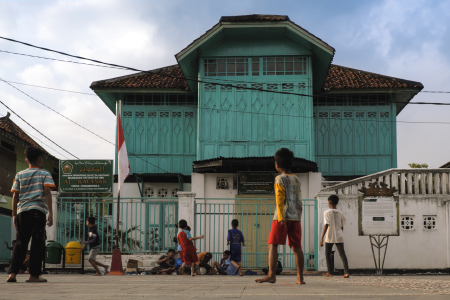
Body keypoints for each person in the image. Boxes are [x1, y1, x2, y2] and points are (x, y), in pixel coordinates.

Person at [256, 148, 305, 285]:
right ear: (292, 163)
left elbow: (280, 199)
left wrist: (282, 217)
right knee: (296, 247)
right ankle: (300, 278)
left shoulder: (279, 178)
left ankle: (271, 275)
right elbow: (298, 199)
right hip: (296, 217)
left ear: (277, 164)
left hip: (281, 217)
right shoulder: (296, 179)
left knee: (272, 244)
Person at [7, 147, 55, 283]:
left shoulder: (19, 174)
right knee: (37, 242)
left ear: (26, 160)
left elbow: (15, 195)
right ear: (40, 160)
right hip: (37, 212)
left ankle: (12, 273)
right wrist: (50, 213)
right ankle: (34, 275)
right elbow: (47, 192)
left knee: (21, 243)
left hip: (22, 212)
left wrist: (14, 215)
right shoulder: (44, 173)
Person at [320, 195, 350, 278]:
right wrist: (340, 233)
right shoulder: (340, 212)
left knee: (327, 253)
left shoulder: (326, 212)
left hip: (329, 236)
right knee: (342, 254)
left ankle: (330, 272)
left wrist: (322, 238)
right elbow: (342, 225)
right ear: (337, 203)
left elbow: (326, 225)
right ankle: (346, 272)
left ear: (330, 203)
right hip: (339, 235)